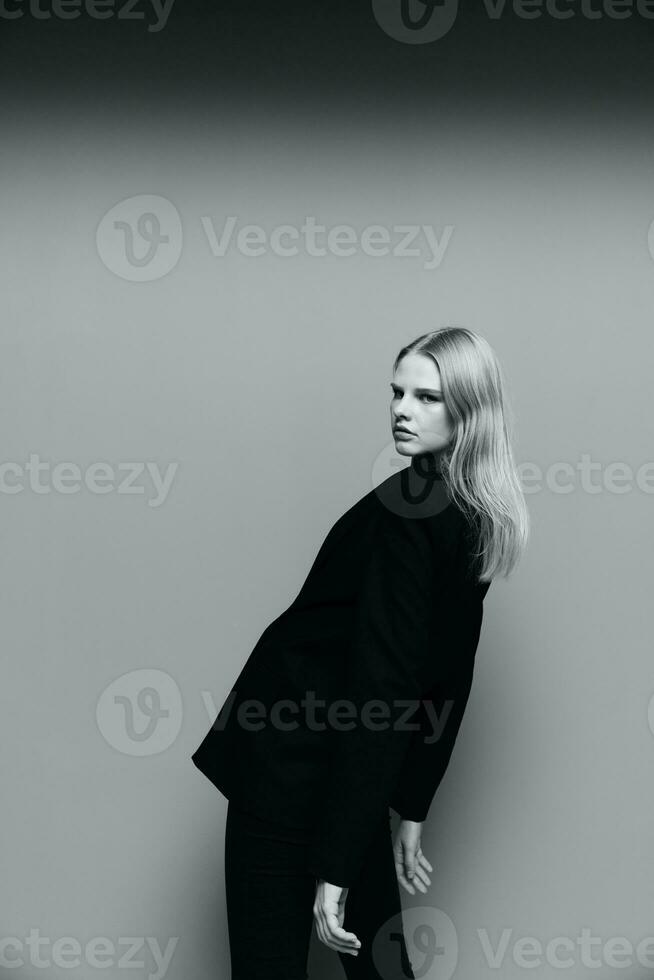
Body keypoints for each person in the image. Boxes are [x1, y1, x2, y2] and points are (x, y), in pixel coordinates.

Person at [191, 327, 529, 980]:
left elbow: (394, 689)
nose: (402, 410)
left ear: (471, 412)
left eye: (427, 397)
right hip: (341, 772)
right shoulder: (470, 510)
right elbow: (444, 674)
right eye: (397, 392)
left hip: (291, 769)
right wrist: (411, 805)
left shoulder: (413, 513)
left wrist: (340, 866)